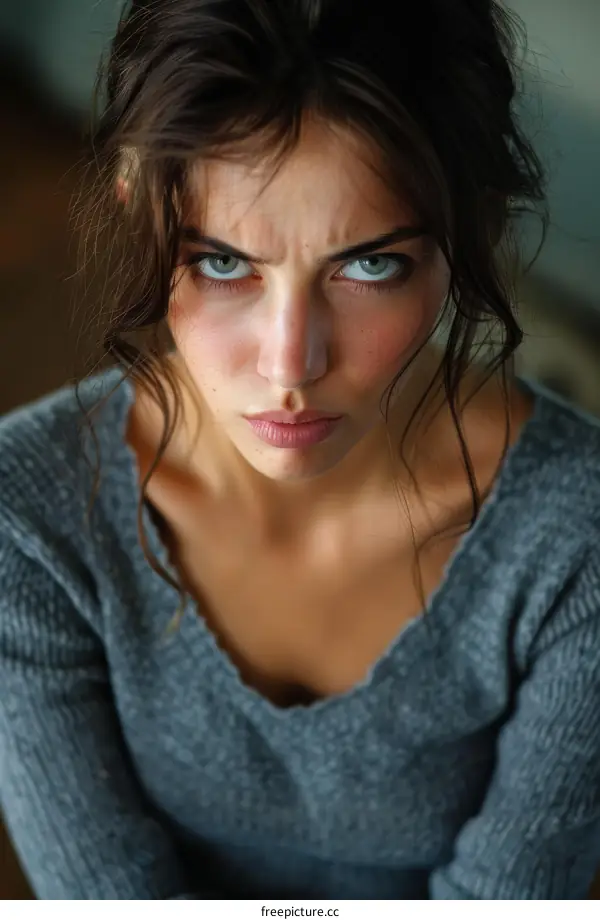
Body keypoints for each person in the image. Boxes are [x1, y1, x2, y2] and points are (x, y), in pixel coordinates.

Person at [1, 0, 600, 901]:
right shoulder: (27, 518)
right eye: (221, 262)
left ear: (464, 238)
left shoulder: (578, 540)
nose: (291, 363)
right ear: (138, 213)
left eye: (369, 266)